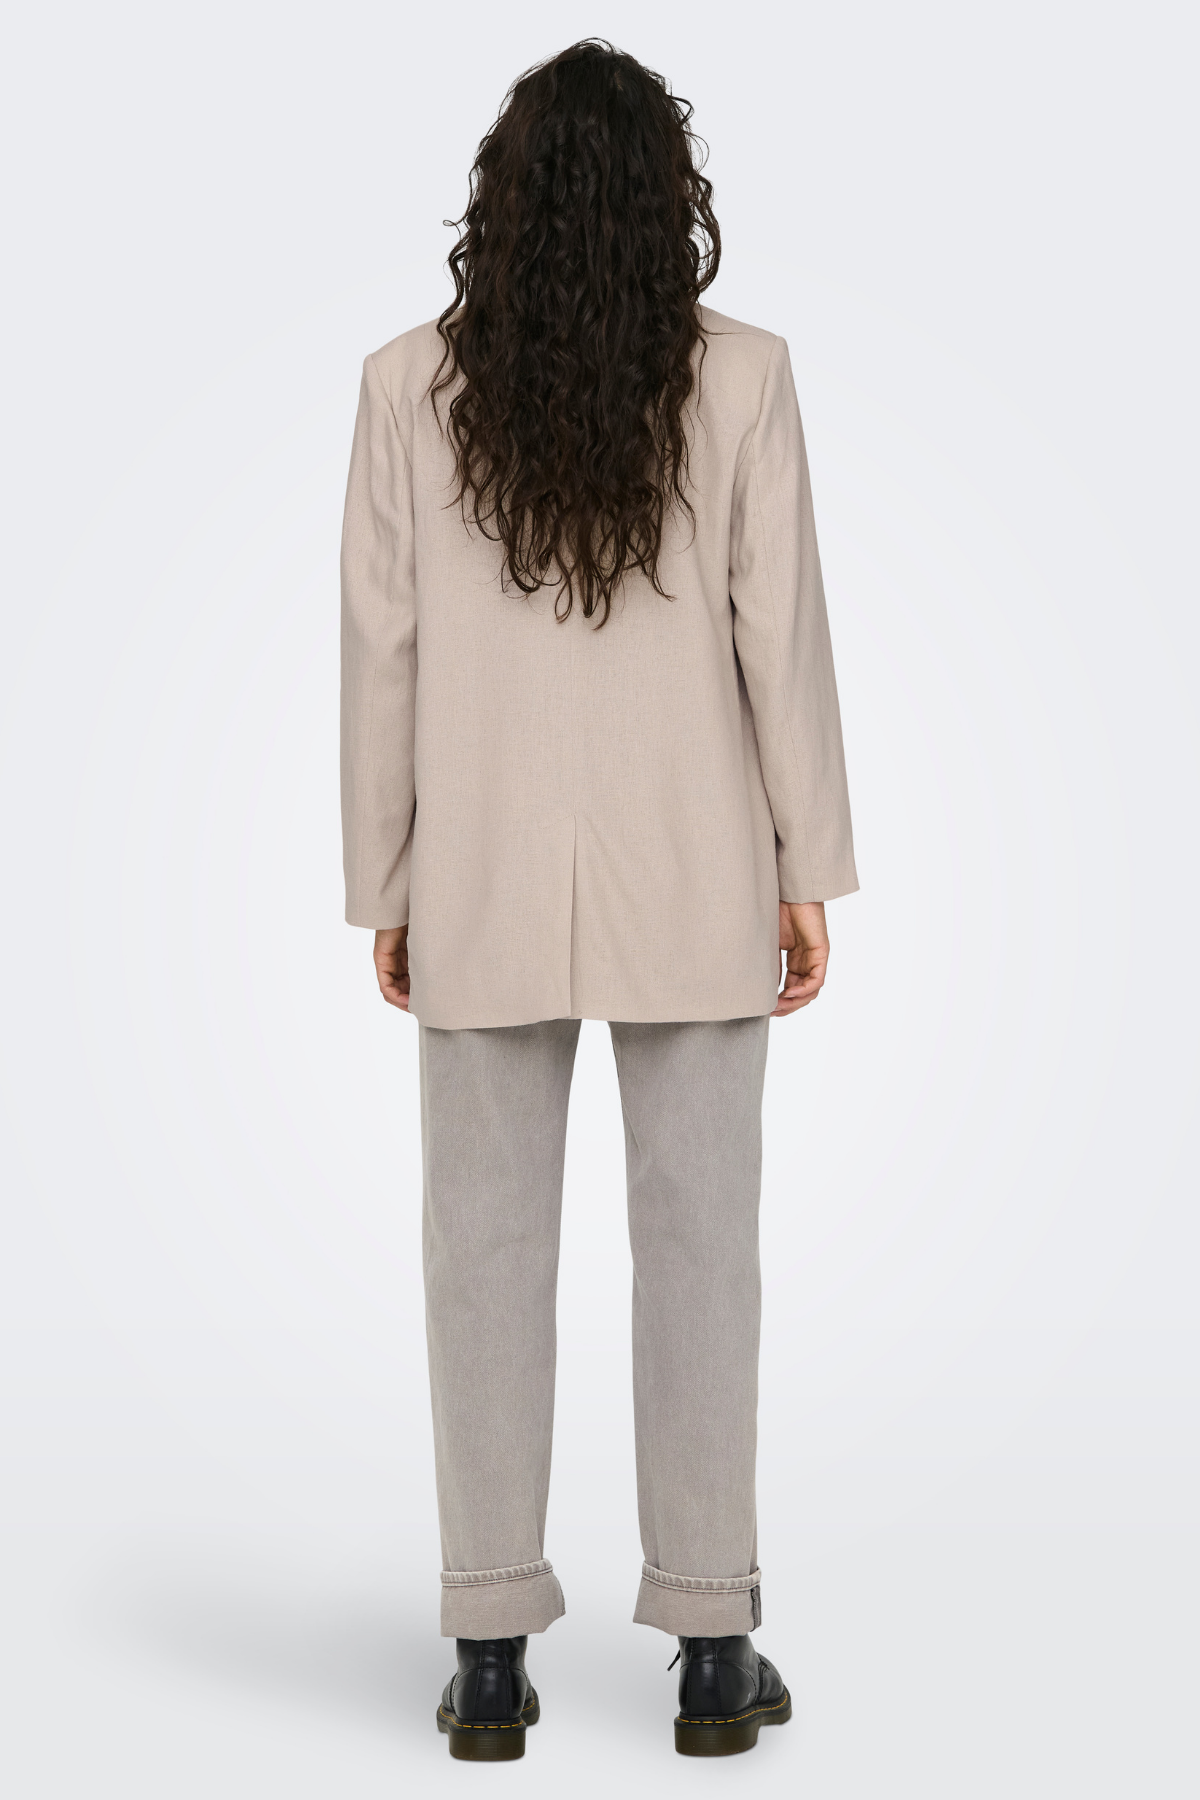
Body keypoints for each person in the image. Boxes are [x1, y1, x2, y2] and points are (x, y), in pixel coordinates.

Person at [339, 38, 858, 1761]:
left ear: (501, 201)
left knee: (478, 1254)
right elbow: (781, 638)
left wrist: (388, 879)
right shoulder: (744, 377)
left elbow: (383, 657)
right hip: (698, 862)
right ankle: (713, 1647)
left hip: (479, 874)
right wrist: (804, 866)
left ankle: (491, 1651)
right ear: (666, 199)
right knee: (705, 1247)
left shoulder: (408, 385)